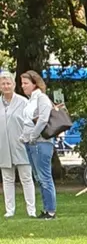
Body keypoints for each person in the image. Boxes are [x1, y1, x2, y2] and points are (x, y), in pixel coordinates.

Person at [19, 70, 57, 219]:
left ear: (35, 84)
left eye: (26, 83)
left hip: (41, 143)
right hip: (31, 142)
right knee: (39, 177)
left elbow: (43, 119)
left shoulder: (42, 98)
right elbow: (27, 122)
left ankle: (51, 210)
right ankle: (47, 208)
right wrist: (24, 137)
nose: (23, 86)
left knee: (45, 176)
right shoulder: (30, 100)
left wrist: (33, 136)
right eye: (22, 83)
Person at [0, 71, 37, 218]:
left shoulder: (23, 102)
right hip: (3, 147)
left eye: (8, 83)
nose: (6, 86)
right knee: (7, 180)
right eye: (3, 83)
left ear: (14, 85)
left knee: (26, 179)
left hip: (21, 146)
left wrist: (26, 138)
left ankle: (31, 210)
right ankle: (10, 210)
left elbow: (30, 123)